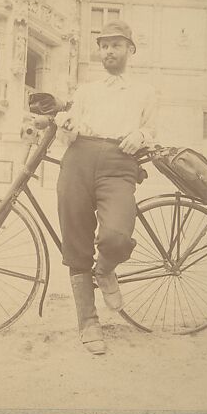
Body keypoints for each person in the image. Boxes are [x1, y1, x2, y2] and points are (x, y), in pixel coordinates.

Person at [56, 20, 158, 355]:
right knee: (77, 243)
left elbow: (152, 130)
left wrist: (139, 135)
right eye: (104, 45)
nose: (109, 51)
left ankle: (105, 270)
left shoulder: (144, 91)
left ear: (130, 49)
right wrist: (67, 125)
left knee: (116, 234)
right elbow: (68, 133)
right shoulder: (86, 90)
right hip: (79, 160)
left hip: (119, 165)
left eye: (116, 45)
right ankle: (88, 323)